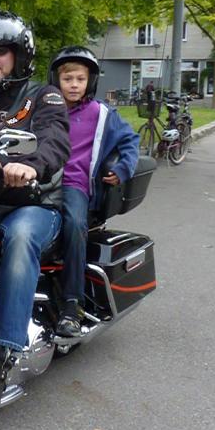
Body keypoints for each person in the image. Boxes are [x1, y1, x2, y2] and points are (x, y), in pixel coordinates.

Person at [0, 11, 70, 418]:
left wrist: (30, 166)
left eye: (0, 51)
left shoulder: (44, 97)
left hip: (32, 204)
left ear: (19, 57)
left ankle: (1, 358)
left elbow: (55, 142)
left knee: (20, 238)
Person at [48, 46, 140, 337]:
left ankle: (72, 303)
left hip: (73, 185)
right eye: (67, 79)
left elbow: (130, 141)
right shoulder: (44, 110)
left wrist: (123, 169)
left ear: (91, 82)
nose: (74, 85)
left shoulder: (101, 114)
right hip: (40, 180)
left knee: (75, 224)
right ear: (56, 80)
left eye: (80, 79)